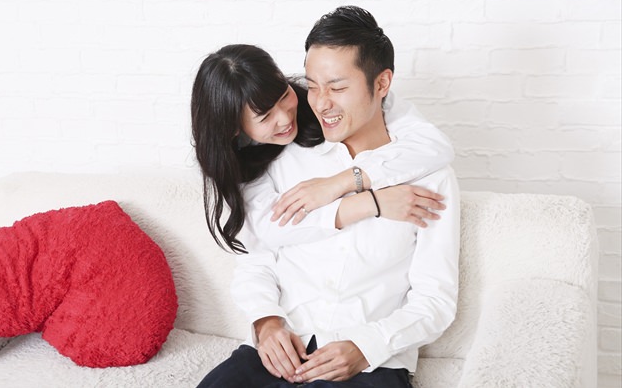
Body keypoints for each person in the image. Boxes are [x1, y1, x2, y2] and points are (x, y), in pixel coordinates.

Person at [196, 6, 460, 388]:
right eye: (312, 86)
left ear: (382, 84)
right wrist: (266, 322)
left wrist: (365, 346)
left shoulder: (430, 175)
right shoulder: (284, 154)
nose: (320, 103)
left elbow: (435, 300)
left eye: (337, 88)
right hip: (280, 350)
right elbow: (259, 256)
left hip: (368, 365)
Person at [191, 44, 454, 254]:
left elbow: (434, 145)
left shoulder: (321, 102)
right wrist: (371, 203)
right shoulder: (235, 164)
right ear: (234, 128)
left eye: (284, 96)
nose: (285, 118)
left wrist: (340, 183)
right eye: (265, 116)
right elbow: (270, 230)